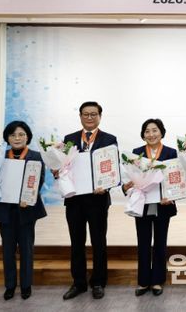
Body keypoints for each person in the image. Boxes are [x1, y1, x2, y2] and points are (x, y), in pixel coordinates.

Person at [61, 101, 117, 300]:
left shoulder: (109, 139)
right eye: (86, 114)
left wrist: (107, 185)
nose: (90, 117)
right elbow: (63, 166)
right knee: (76, 242)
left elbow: (113, 168)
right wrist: (58, 171)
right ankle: (78, 283)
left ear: (100, 116)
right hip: (74, 199)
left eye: (94, 114)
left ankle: (99, 282)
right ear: (80, 116)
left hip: (97, 199)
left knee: (98, 242)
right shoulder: (69, 139)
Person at [0, 120, 47, 300]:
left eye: (21, 134)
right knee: (7, 250)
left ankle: (26, 285)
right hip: (5, 209)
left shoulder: (36, 156)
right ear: (7, 137)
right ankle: (9, 285)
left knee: (26, 249)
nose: (17, 138)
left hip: (26, 210)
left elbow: (39, 181)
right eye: (13, 135)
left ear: (27, 137)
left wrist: (28, 199)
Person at [122, 118, 177, 297]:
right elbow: (129, 178)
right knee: (143, 243)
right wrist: (127, 187)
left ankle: (157, 281)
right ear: (143, 134)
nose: (151, 134)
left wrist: (171, 195)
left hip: (163, 204)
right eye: (147, 131)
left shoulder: (170, 152)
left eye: (155, 130)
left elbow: (176, 178)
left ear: (161, 132)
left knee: (160, 242)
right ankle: (143, 281)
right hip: (142, 205)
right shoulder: (136, 153)